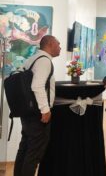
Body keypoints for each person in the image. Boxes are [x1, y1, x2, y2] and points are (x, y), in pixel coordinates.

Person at [14, 35, 61, 176]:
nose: (60, 47)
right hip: (37, 115)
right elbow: (37, 86)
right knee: (33, 154)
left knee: (25, 148)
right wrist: (45, 110)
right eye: (58, 44)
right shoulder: (44, 61)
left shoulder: (32, 59)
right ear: (50, 44)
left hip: (27, 112)